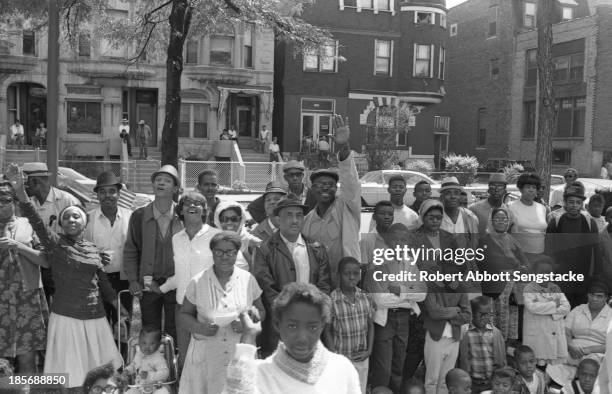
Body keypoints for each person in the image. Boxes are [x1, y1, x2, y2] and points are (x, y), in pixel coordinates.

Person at [11, 169, 126, 388]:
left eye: (76, 216)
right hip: (66, 318)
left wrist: (121, 311)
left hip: (95, 317)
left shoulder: (93, 250)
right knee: (69, 375)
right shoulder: (56, 244)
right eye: (66, 217)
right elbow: (36, 221)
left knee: (99, 374)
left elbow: (104, 285)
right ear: (61, 225)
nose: (72, 220)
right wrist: (20, 191)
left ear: (84, 223)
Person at [222, 282, 361, 394]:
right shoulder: (259, 373)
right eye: (292, 326)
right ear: (277, 324)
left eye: (312, 327)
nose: (302, 337)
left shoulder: (342, 368)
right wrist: (248, 337)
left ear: (322, 326)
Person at [179, 232, 265, 394]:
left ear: (237, 253)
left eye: (230, 252)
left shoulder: (248, 279)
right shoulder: (198, 281)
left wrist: (246, 325)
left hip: (239, 351)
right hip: (207, 354)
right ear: (212, 253)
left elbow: (261, 311)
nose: (224, 257)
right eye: (219, 252)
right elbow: (184, 315)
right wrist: (200, 327)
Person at [254, 196, 332, 357]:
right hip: (281, 323)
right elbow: (267, 289)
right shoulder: (265, 250)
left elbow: (324, 286)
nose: (295, 220)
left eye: (299, 215)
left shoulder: (316, 248)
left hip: (311, 321)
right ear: (278, 219)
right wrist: (289, 314)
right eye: (289, 215)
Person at [153, 191, 221, 369]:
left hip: (210, 305)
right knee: (185, 355)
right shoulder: (176, 239)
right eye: (187, 203)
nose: (192, 206)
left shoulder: (216, 236)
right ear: (180, 211)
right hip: (182, 306)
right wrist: (161, 289)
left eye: (198, 203)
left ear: (204, 211)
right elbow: (180, 275)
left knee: (210, 356)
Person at [364, 223, 427, 393]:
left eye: (404, 240)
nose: (400, 243)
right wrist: (409, 297)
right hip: (385, 320)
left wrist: (400, 290)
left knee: (398, 365)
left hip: (404, 319)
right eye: (396, 239)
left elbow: (422, 294)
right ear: (387, 240)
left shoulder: (410, 264)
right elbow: (380, 300)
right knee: (383, 367)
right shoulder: (377, 264)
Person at [124, 165, 184, 342]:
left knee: (175, 327)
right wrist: (133, 280)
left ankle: (174, 365)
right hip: (149, 283)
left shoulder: (182, 215)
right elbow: (130, 250)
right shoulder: (139, 215)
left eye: (167, 180)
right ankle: (151, 365)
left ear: (175, 188)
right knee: (150, 328)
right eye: (158, 180)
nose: (161, 183)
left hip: (176, 281)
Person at [302, 115, 361, 287]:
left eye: (330, 184)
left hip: (345, 285)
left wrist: (343, 146)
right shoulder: (307, 221)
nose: (325, 188)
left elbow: (351, 182)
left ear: (337, 188)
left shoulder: (347, 207)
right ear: (312, 190)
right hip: (318, 285)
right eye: (319, 185)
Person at [404, 199, 458, 382]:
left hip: (443, 296)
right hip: (420, 296)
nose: (435, 221)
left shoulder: (448, 238)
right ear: (422, 217)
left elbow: (457, 264)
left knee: (439, 340)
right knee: (418, 342)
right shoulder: (412, 237)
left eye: (438, 218)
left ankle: (433, 381)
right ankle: (406, 381)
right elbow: (408, 265)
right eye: (431, 217)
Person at [0, 180, 48, 373]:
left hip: (26, 301)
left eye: (5, 199)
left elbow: (46, 261)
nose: (1, 204)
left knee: (27, 359)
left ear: (14, 202)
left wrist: (19, 246)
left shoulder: (29, 225)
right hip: (1, 303)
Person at [84, 171, 133, 353]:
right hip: (97, 279)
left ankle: (122, 362)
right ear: (97, 195)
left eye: (112, 191)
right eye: (102, 192)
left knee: (123, 321)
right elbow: (83, 249)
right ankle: (102, 363)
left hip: (124, 278)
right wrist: (96, 255)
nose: (107, 196)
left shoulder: (130, 216)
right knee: (100, 323)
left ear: (119, 193)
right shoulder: (88, 219)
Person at [23, 162, 80, 303]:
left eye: (26, 182)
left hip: (61, 264)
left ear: (35, 182)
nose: (24, 187)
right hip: (35, 263)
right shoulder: (27, 203)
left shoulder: (67, 201)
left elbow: (79, 235)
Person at [547, 280, 612, 388]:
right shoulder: (578, 310)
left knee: (590, 364)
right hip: (573, 348)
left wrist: (588, 350)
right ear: (588, 295)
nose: (595, 299)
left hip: (599, 352)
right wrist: (570, 345)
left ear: (606, 298)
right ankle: (556, 386)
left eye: (599, 296)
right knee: (556, 357)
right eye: (592, 295)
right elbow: (565, 331)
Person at [479, 207, 530, 340]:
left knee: (509, 315)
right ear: (491, 221)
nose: (501, 222)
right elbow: (482, 264)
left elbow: (524, 261)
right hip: (493, 286)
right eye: (497, 219)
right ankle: (494, 346)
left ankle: (506, 346)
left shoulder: (512, 240)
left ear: (509, 222)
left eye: (504, 219)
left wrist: (522, 268)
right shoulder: (484, 241)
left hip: (511, 287)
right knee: (493, 316)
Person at [324, 257, 374, 394]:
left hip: (362, 357)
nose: (352, 277)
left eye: (356, 273)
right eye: (347, 274)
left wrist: (369, 351)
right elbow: (327, 331)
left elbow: (370, 326)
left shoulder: (365, 297)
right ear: (339, 275)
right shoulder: (332, 300)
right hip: (342, 358)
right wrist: (334, 355)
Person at [545, 182, 600, 307]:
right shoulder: (555, 222)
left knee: (579, 308)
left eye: (577, 202)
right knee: (560, 308)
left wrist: (596, 275)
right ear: (564, 203)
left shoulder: (590, 223)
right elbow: (548, 250)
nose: (574, 205)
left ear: (582, 204)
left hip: (583, 274)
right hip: (561, 274)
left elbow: (596, 251)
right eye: (571, 202)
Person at [422, 272, 472, 394]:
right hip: (436, 336)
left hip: (454, 337)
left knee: (446, 380)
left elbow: (467, 316)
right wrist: (455, 310)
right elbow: (433, 312)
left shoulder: (461, 288)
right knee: (431, 380)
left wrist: (445, 314)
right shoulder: (431, 286)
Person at [522, 255, 570, 368]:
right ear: (534, 272)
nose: (545, 275)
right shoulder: (529, 288)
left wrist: (547, 309)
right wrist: (555, 305)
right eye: (542, 272)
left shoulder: (555, 288)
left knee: (552, 367)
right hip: (538, 336)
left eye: (548, 272)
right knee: (537, 365)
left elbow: (566, 307)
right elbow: (533, 307)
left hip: (554, 334)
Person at [459, 296, 507, 394]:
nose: (484, 317)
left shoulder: (496, 333)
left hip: (491, 383)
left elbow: (501, 359)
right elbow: (461, 358)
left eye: (487, 314)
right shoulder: (464, 332)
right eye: (481, 314)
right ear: (472, 313)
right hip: (471, 384)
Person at [247, 161, 316, 223]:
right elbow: (253, 207)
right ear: (285, 177)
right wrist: (269, 224)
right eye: (291, 175)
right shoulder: (280, 194)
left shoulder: (314, 195)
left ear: (302, 176)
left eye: (298, 175)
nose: (295, 178)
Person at [508, 173, 548, 263]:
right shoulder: (510, 207)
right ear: (521, 189)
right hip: (519, 257)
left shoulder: (542, 208)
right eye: (528, 187)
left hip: (539, 255)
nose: (531, 190)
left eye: (534, 187)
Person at [214, 201, 261, 270]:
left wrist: (245, 252)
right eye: (224, 219)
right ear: (218, 221)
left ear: (241, 220)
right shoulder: (211, 241)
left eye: (234, 219)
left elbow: (258, 271)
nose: (229, 223)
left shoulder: (252, 242)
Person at [124, 325, 170, 394]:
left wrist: (149, 375)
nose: (147, 347)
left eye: (152, 344)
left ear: (158, 345)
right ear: (139, 342)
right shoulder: (139, 354)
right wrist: (127, 370)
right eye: (144, 343)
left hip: (156, 387)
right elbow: (134, 365)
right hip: (140, 387)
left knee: (163, 392)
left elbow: (165, 373)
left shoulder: (158, 358)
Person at [439, 176, 480, 250]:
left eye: (456, 193)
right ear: (442, 197)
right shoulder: (436, 217)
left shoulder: (470, 217)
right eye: (448, 193)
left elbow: (474, 244)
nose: (453, 196)